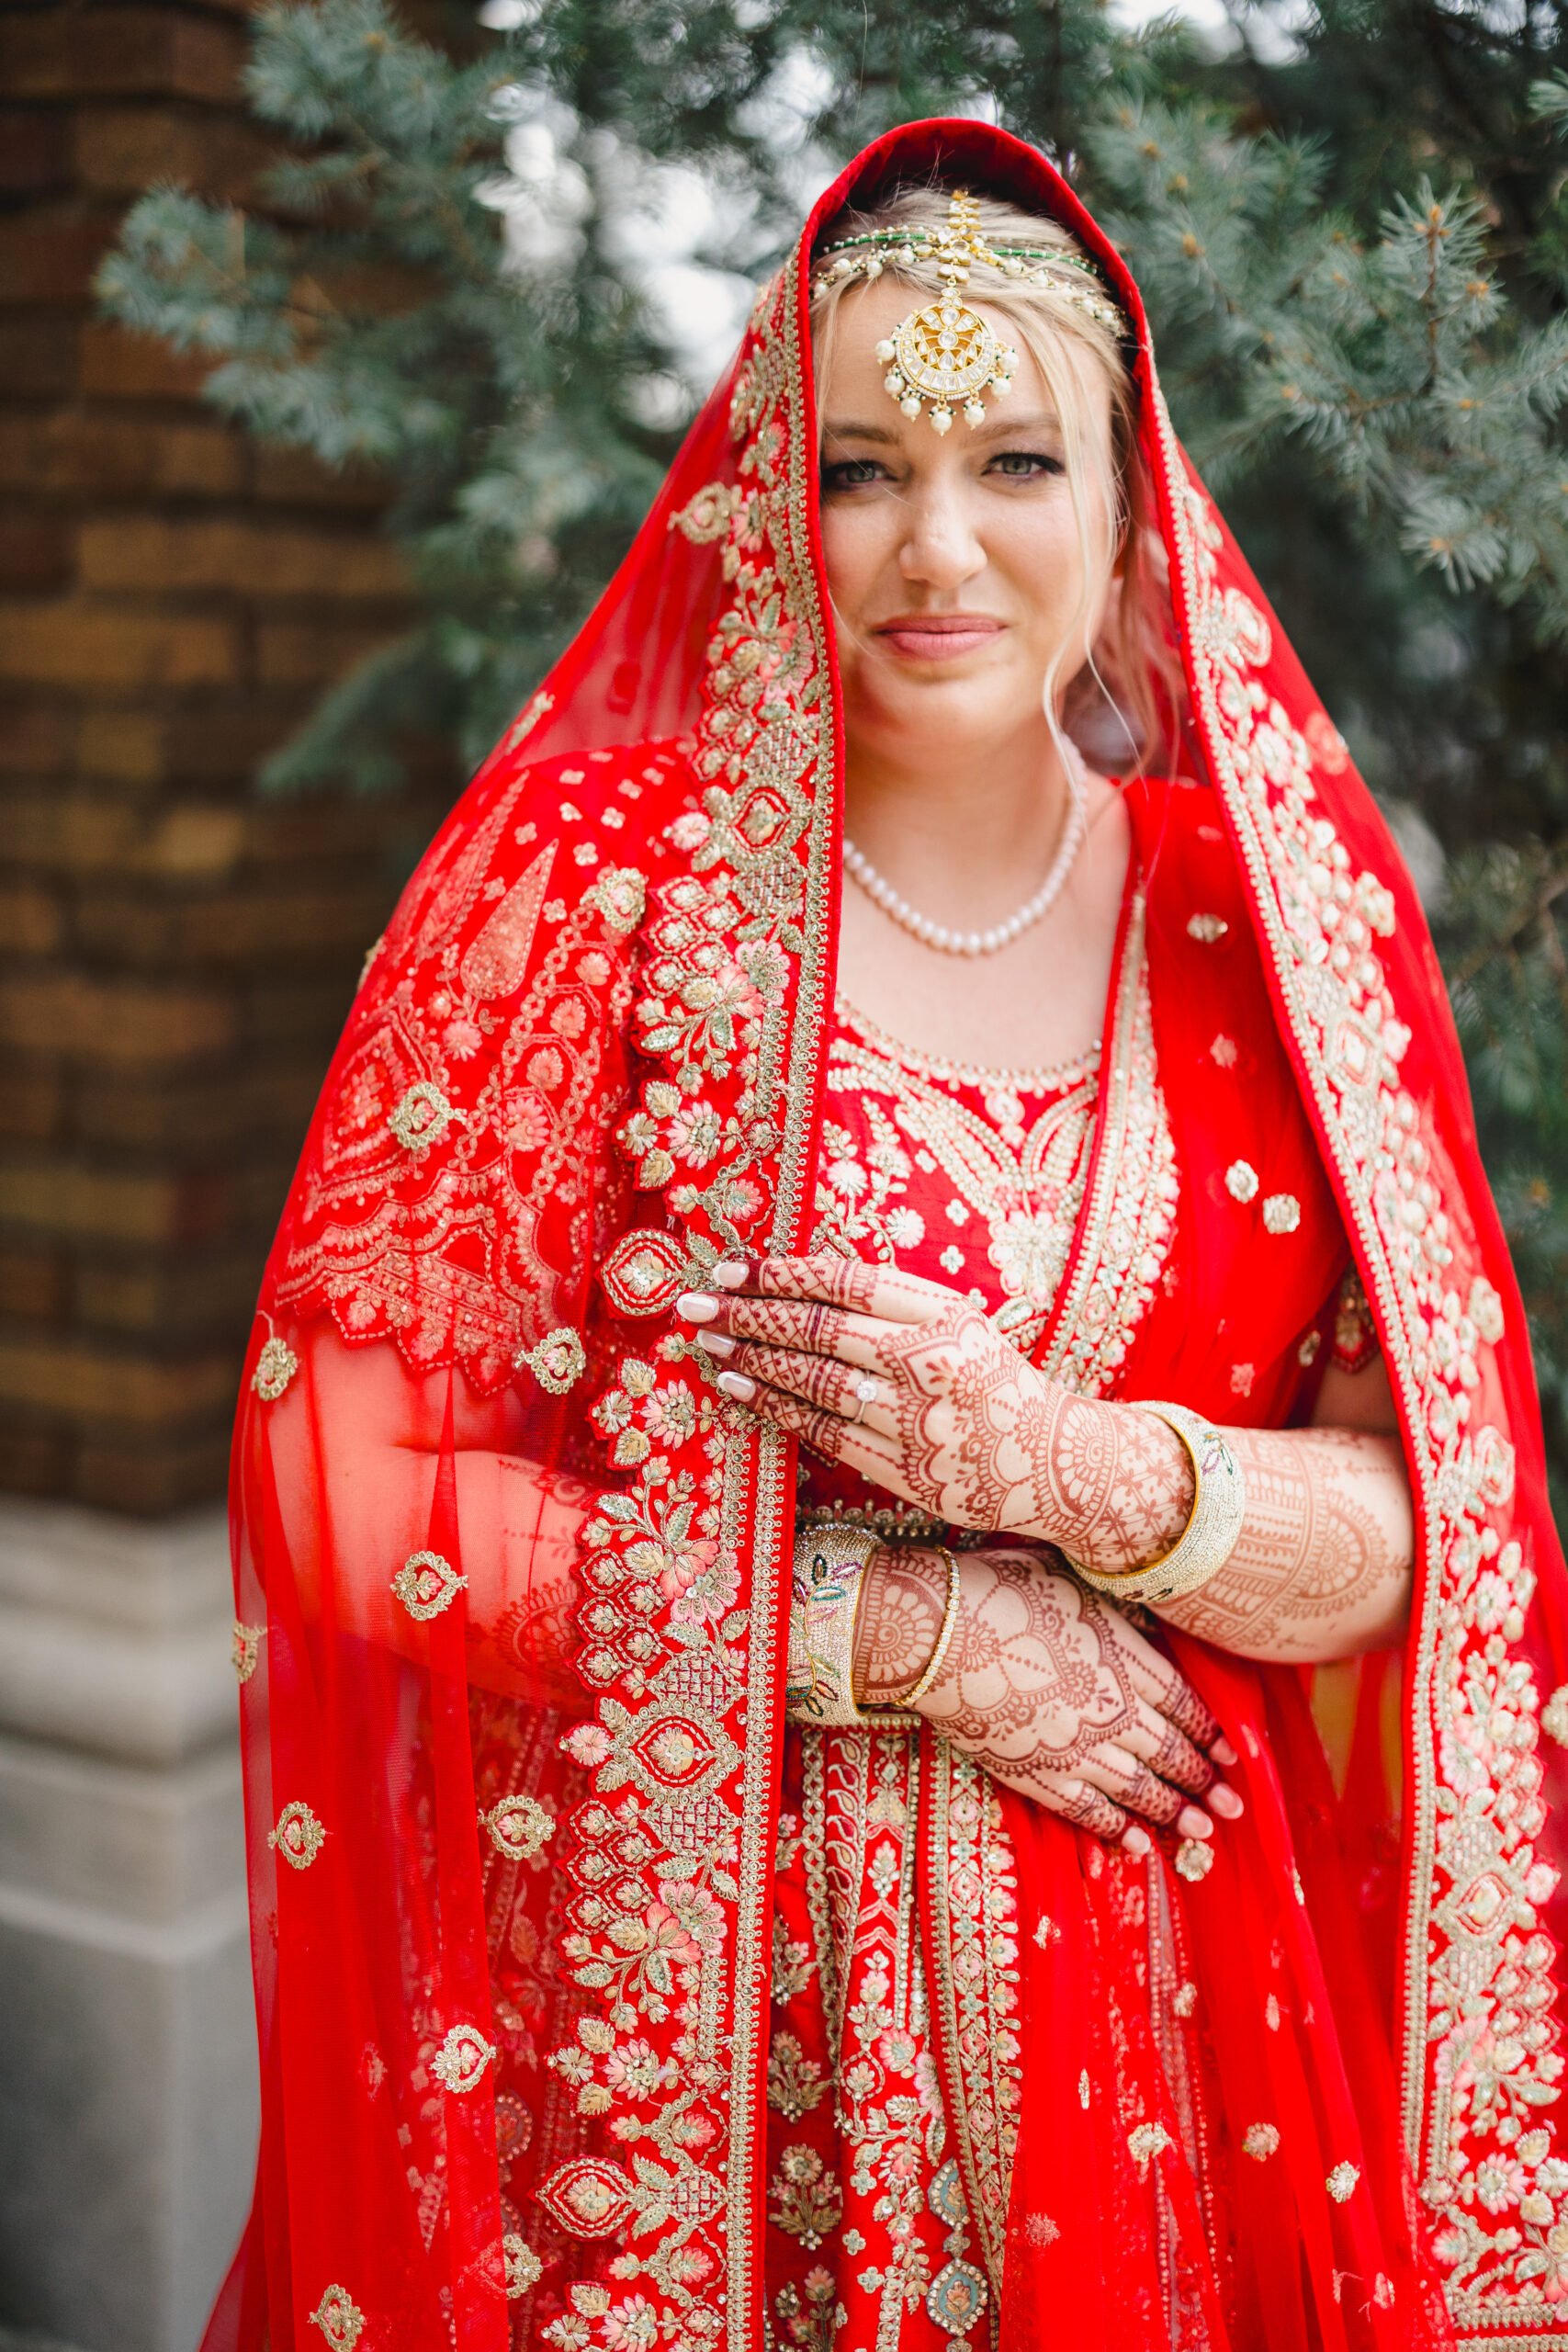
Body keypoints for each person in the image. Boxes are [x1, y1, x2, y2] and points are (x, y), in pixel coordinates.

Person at [204, 120, 1568, 2352]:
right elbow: (330, 1480)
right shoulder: (589, 884)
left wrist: (1062, 1470)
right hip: (677, 2061)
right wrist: (893, 1625)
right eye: (856, 468)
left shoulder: (1268, 928)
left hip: (1182, 2054)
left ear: (1131, 512)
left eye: (1013, 463)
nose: (932, 545)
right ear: (770, 501)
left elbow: (1421, 1531)